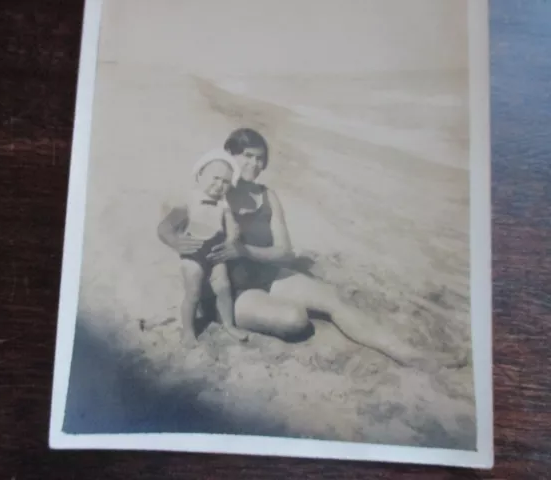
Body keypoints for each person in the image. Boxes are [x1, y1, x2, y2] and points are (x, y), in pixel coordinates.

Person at [159, 128, 465, 371]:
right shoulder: (212, 191)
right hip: (231, 292)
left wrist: (243, 252)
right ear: (230, 155)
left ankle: (408, 354)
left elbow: (286, 253)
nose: (255, 164)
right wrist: (176, 243)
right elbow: (167, 226)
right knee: (295, 320)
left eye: (261, 158)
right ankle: (230, 318)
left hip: (268, 273)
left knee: (336, 302)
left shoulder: (269, 196)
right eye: (248, 156)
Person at [161, 149, 249, 348]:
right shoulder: (189, 199)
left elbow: (231, 225)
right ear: (200, 176)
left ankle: (228, 324)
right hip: (193, 251)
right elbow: (165, 227)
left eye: (225, 182)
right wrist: (175, 241)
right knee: (193, 292)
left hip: (216, 250)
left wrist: (231, 240)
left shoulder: (224, 204)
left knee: (224, 288)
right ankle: (188, 331)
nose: (219, 185)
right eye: (215, 178)